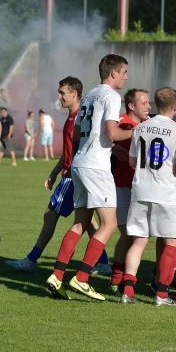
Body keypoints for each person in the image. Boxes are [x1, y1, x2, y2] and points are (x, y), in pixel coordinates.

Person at [46, 54, 132, 301]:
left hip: (80, 163)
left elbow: (80, 135)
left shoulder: (91, 94)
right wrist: (138, 130)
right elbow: (113, 131)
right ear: (113, 72)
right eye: (124, 72)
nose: (126, 76)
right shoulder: (111, 96)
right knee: (110, 224)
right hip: (96, 167)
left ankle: (57, 274)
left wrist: (110, 147)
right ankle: (82, 278)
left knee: (80, 222)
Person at [6, 77, 112, 275]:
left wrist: (63, 173)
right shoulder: (75, 116)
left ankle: (31, 259)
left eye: (63, 93)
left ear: (74, 93)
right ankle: (103, 262)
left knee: (51, 215)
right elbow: (68, 151)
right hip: (77, 173)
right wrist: (54, 172)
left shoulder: (77, 118)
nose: (60, 96)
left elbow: (76, 151)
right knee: (87, 220)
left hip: (73, 175)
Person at [120, 87, 176, 306]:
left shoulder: (140, 128)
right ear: (175, 107)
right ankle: (161, 294)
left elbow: (132, 161)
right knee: (171, 241)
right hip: (165, 193)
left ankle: (127, 290)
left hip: (140, 190)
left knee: (139, 240)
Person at [109, 88, 151, 294]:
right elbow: (102, 137)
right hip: (122, 186)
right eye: (144, 103)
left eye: (149, 103)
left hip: (141, 188)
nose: (148, 107)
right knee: (127, 233)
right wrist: (113, 147)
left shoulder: (148, 126)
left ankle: (119, 279)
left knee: (134, 235)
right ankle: (118, 279)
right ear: (131, 106)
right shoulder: (121, 122)